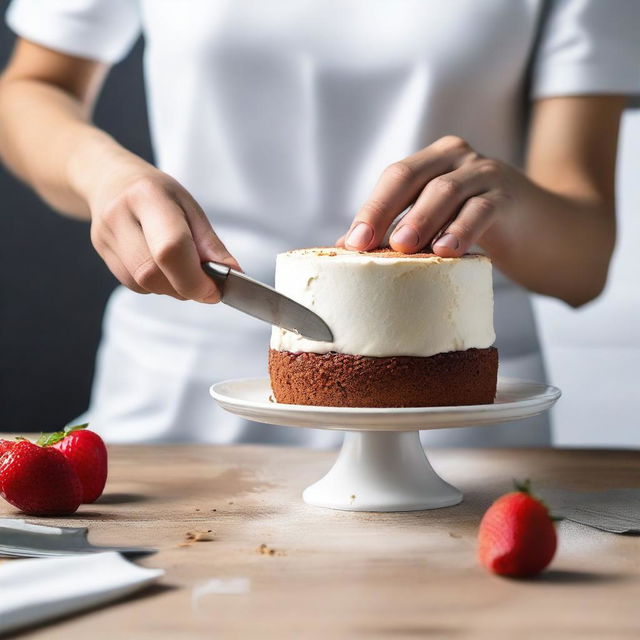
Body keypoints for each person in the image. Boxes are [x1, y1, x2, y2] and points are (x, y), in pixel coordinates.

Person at [0, 1, 638, 446]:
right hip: (181, 397)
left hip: (455, 423)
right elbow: (30, 87)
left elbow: (583, 267)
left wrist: (508, 202)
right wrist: (102, 172)